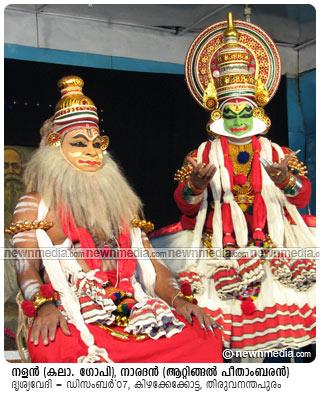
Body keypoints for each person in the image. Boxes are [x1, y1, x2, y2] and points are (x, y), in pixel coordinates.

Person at [7, 75, 222, 363]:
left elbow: (155, 269)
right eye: (79, 143)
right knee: (53, 347)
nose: (92, 152)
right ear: (55, 148)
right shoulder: (35, 204)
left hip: (134, 309)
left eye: (98, 144)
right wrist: (45, 307)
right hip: (74, 313)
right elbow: (26, 268)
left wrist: (179, 301)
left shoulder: (123, 204)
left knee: (204, 337)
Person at [150, 13, 315, 354]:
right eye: (230, 113)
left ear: (257, 111)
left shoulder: (278, 152)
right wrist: (195, 185)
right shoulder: (200, 155)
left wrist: (286, 181)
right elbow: (185, 205)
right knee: (215, 326)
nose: (238, 120)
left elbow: (302, 199)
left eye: (244, 112)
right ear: (217, 114)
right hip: (217, 251)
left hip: (275, 244)